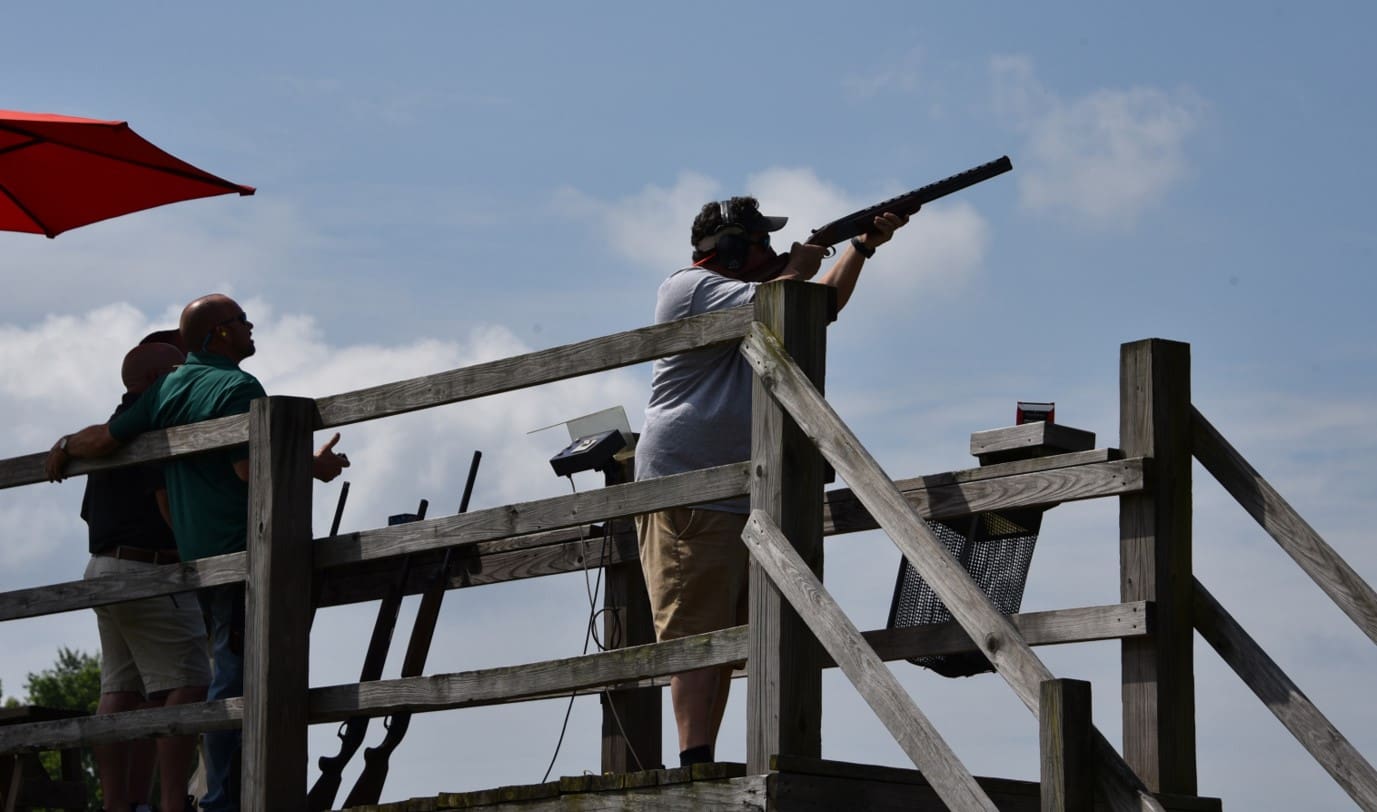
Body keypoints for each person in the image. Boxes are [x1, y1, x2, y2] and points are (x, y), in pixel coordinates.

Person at [46, 294, 351, 812]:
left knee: (204, 676)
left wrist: (65, 446)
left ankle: (180, 798)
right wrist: (313, 468)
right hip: (241, 550)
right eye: (241, 320)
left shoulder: (167, 388)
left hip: (196, 559)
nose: (251, 326)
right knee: (232, 680)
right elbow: (249, 470)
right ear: (219, 333)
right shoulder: (239, 387)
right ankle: (221, 799)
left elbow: (107, 438)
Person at [634, 196, 910, 767]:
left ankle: (701, 760)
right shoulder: (690, 287)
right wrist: (801, 263)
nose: (770, 249)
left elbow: (815, 307)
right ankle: (694, 763)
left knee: (728, 636)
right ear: (731, 248)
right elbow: (779, 296)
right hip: (691, 484)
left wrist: (860, 248)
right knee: (694, 630)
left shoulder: (756, 289)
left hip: (742, 489)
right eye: (760, 241)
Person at [83, 340, 209, 812]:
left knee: (121, 690)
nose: (183, 377)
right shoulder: (156, 420)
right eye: (176, 370)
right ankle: (173, 802)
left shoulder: (109, 432)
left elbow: (90, 513)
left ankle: (120, 804)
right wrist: (198, 555)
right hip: (148, 567)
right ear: (158, 380)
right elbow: (166, 500)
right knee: (189, 682)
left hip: (104, 566)